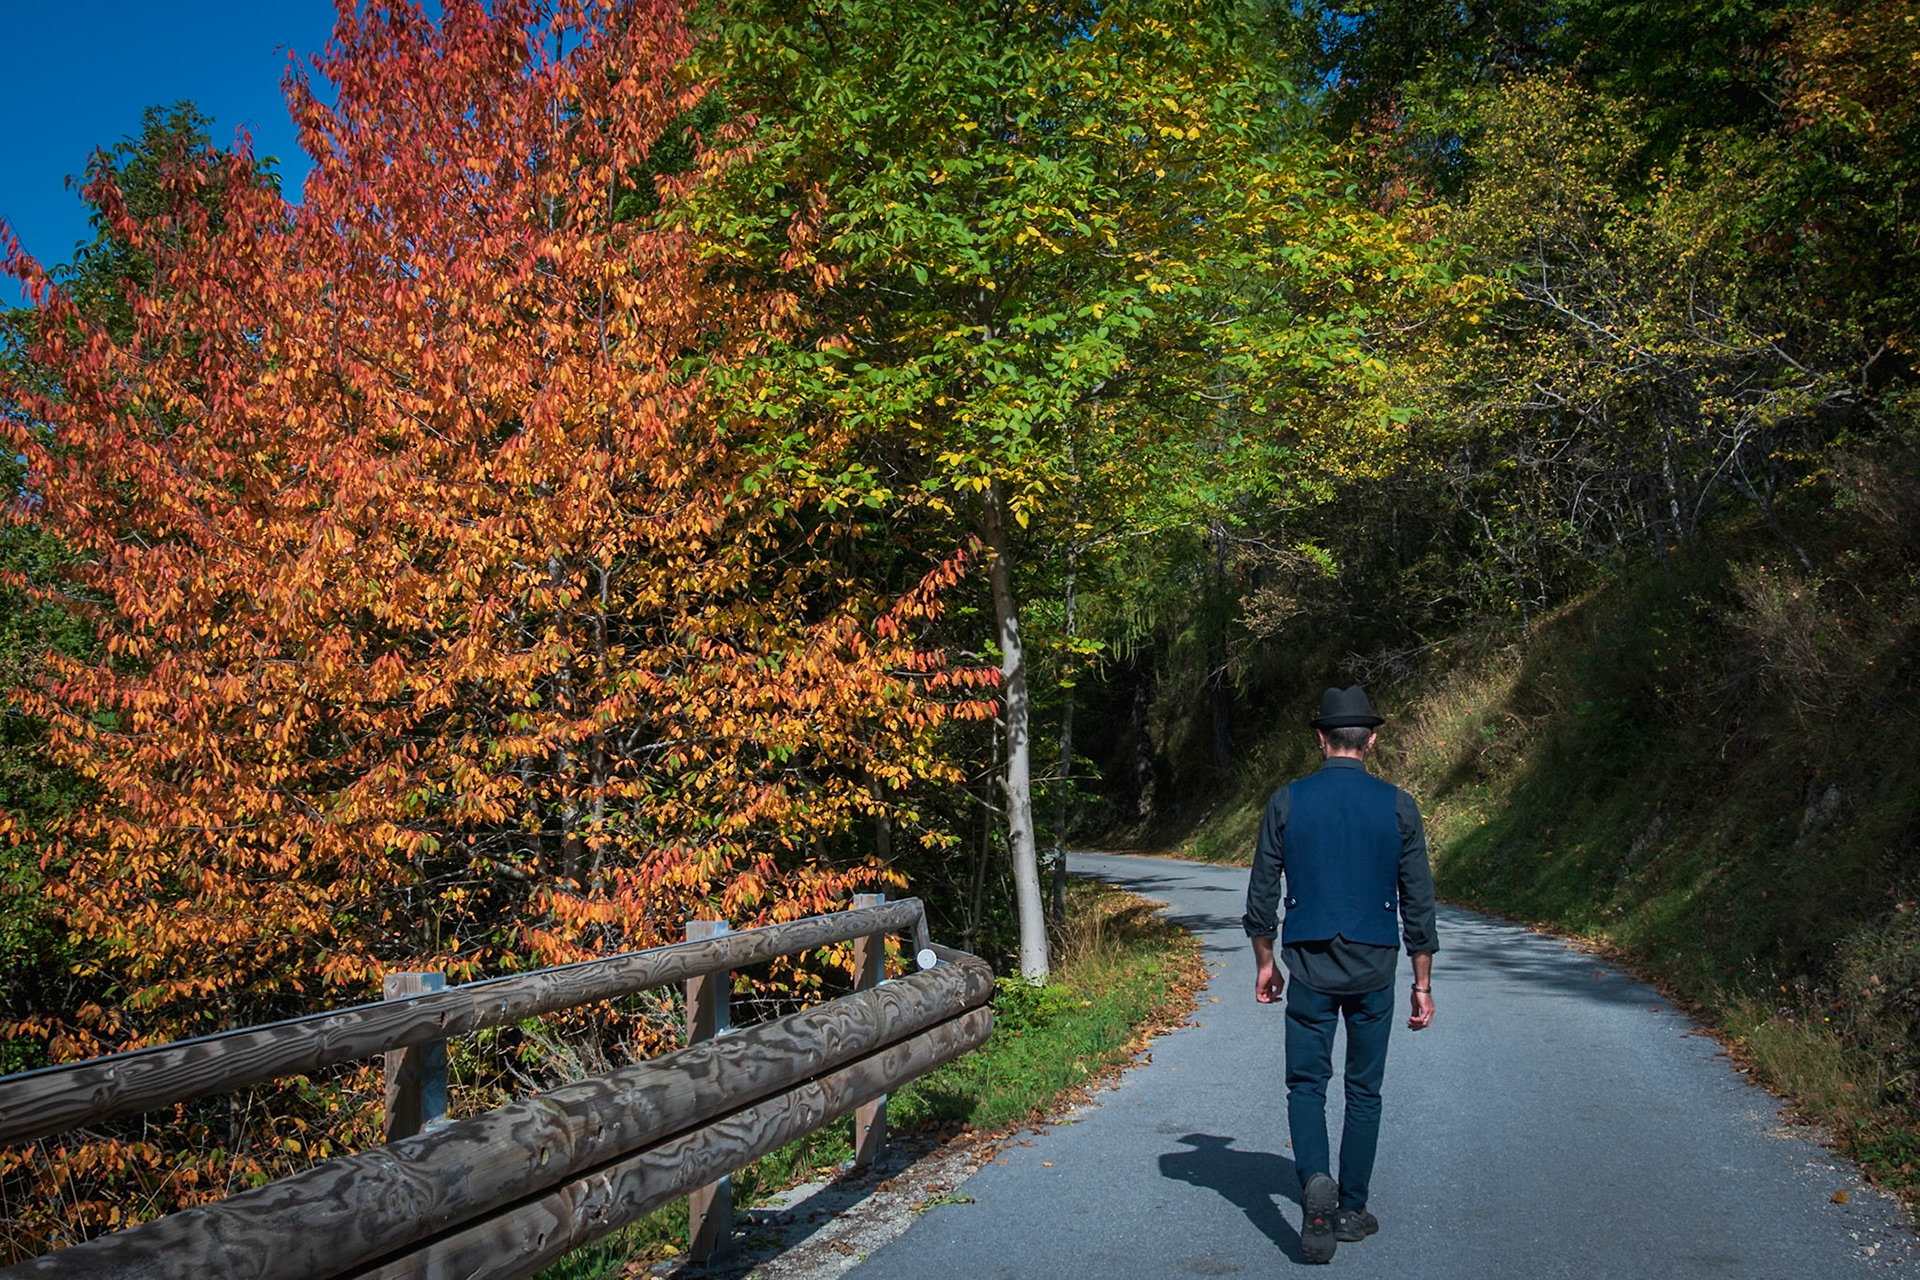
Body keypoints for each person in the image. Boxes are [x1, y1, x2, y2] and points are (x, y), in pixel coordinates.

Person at [1241, 684, 1438, 1264]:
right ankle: (1351, 1207)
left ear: (1321, 739)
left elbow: (1261, 896)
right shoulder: (1399, 805)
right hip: (1375, 962)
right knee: (1364, 1089)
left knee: (1307, 1084)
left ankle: (1314, 1189)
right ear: (1371, 740)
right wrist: (1421, 983)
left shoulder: (1287, 801)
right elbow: (1418, 903)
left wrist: (1264, 963)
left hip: (1310, 961)